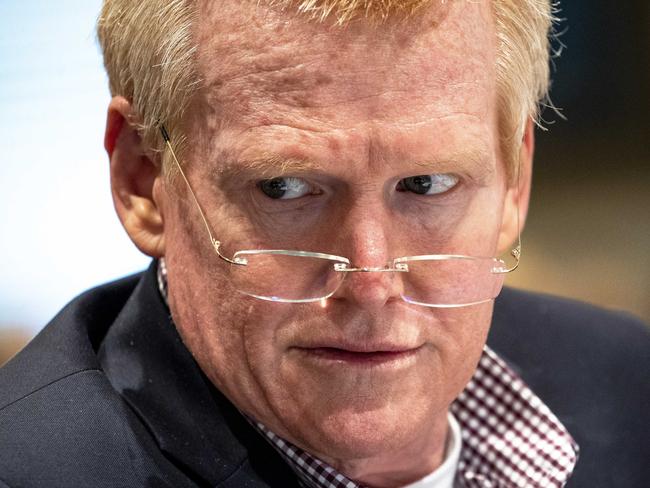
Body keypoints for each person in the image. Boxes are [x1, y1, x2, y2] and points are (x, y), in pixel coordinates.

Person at [0, 1, 648, 487]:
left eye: (426, 184)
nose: (370, 282)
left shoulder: (628, 382)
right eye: (284, 188)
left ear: (514, 181)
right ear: (143, 181)